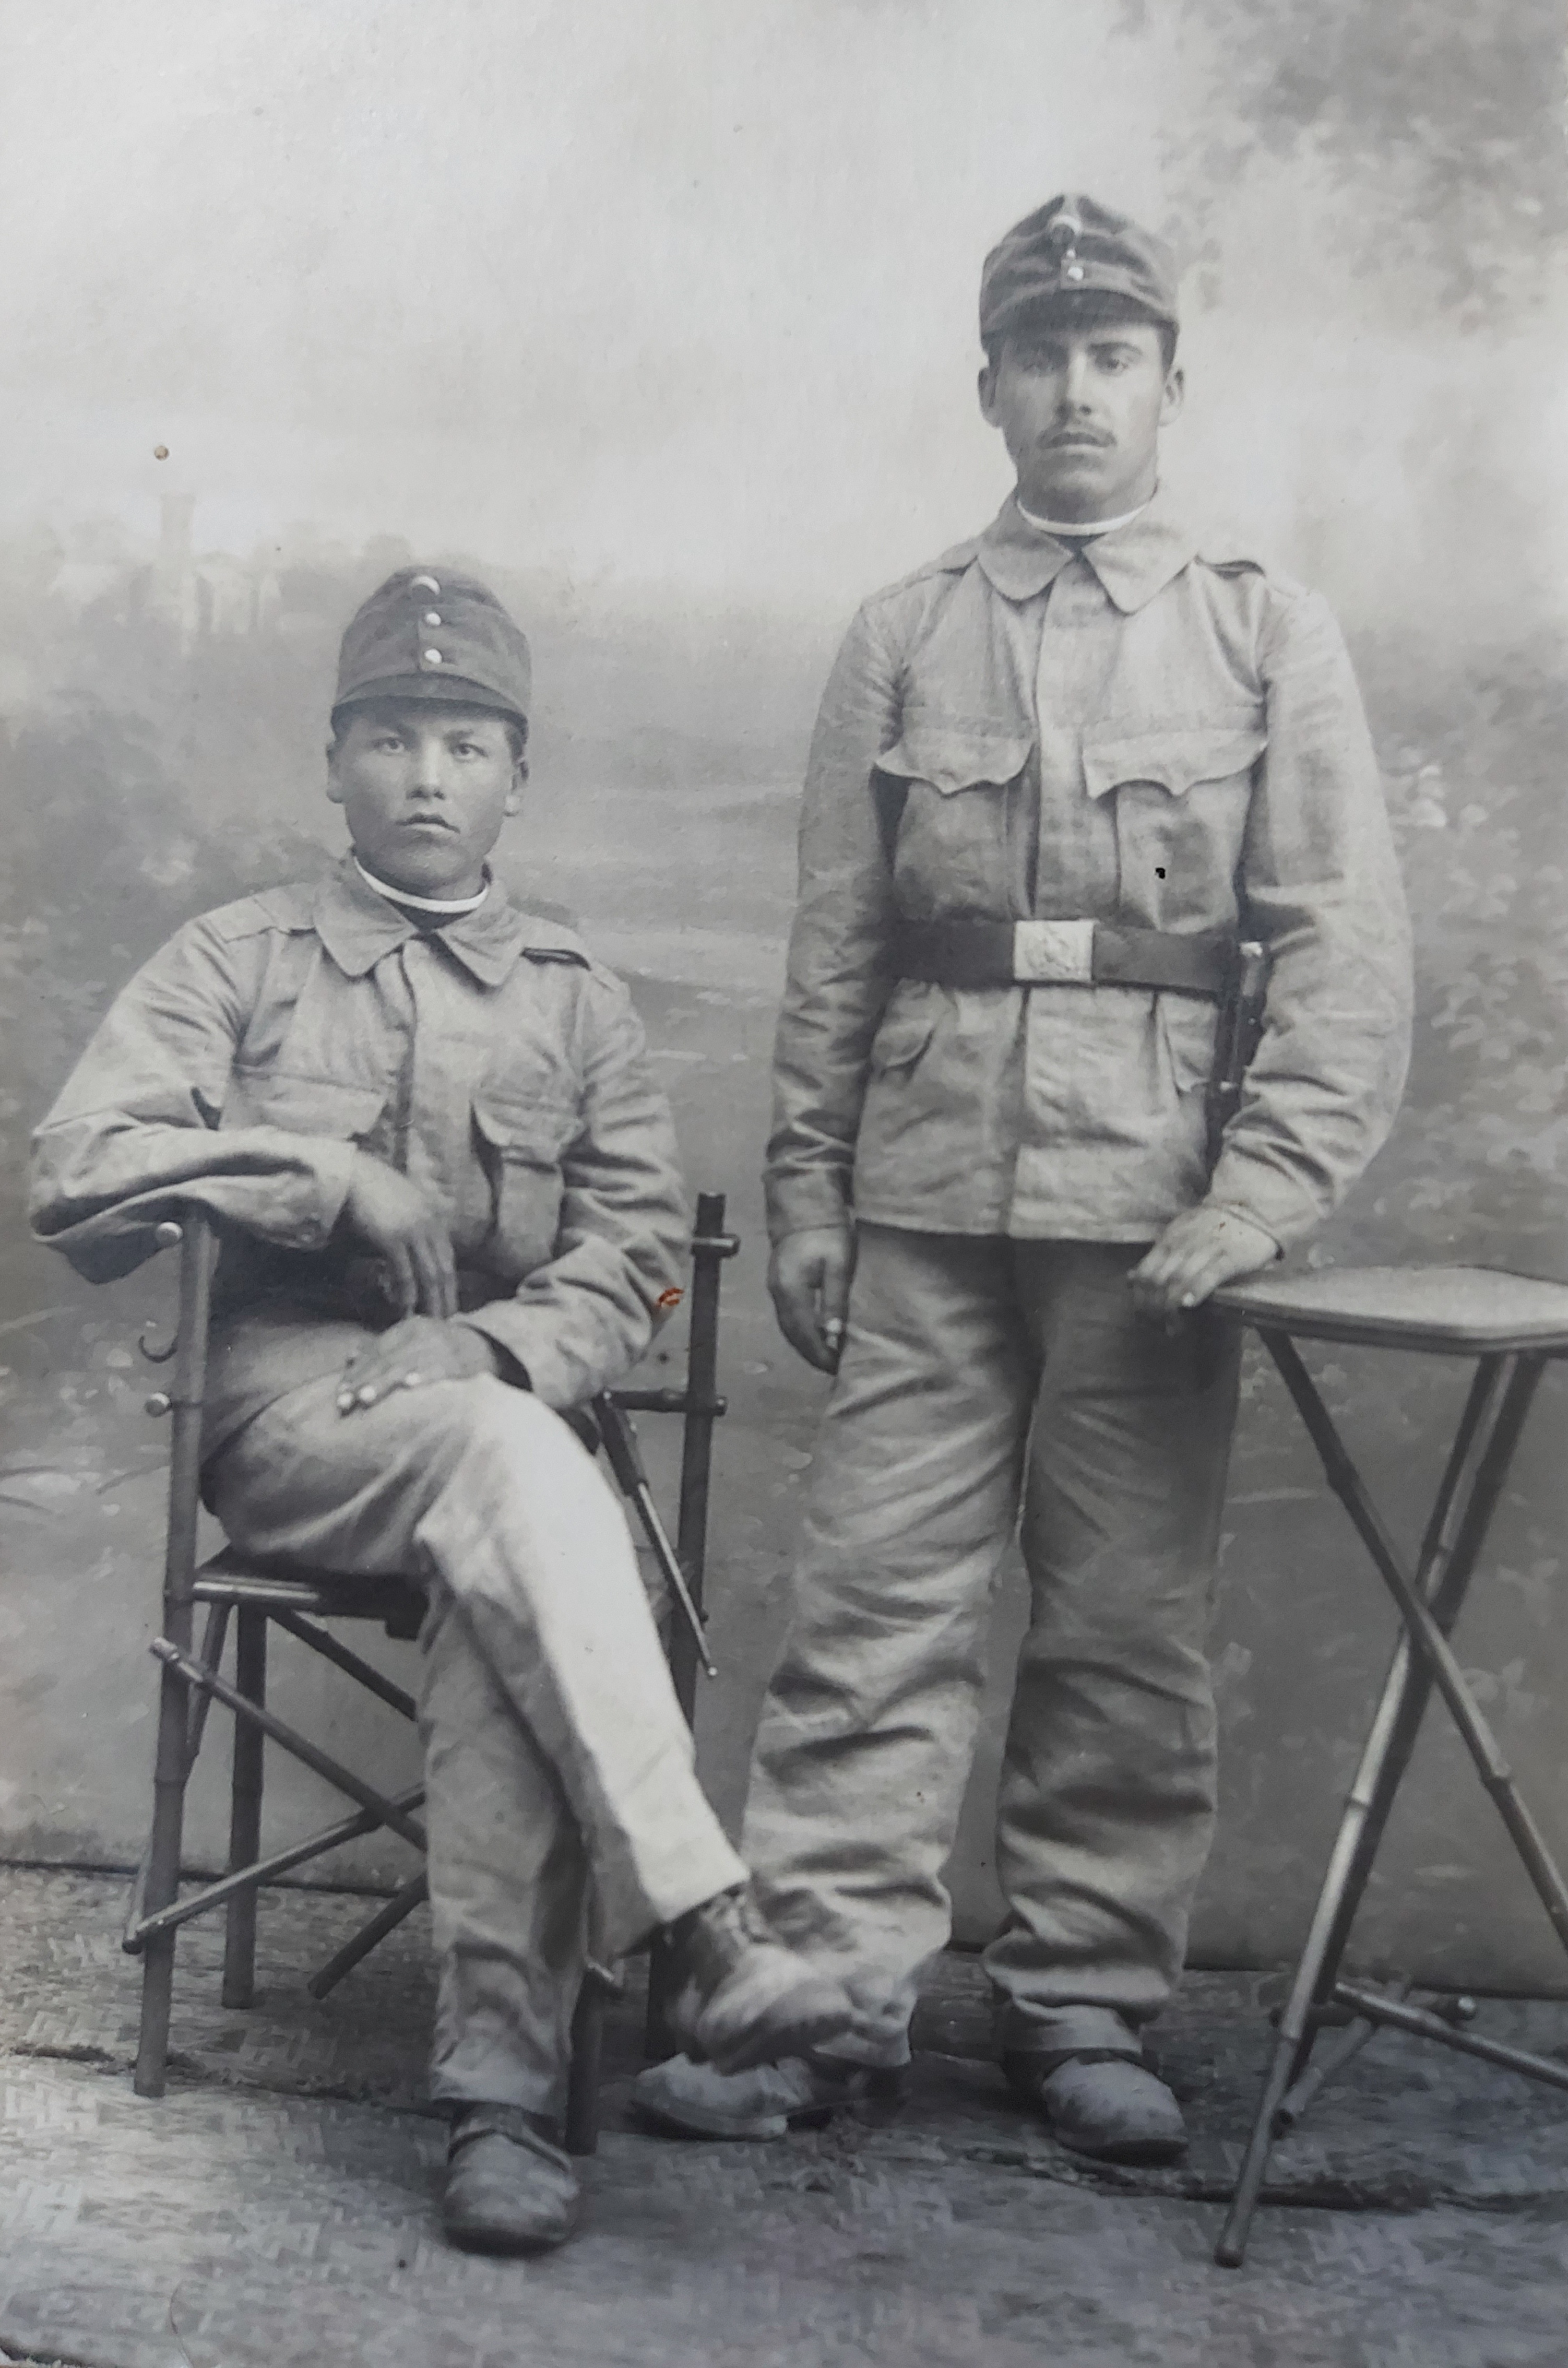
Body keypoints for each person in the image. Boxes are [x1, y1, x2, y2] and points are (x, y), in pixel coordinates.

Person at [633, 195, 1412, 2163]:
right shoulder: (904, 631)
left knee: (1122, 1629)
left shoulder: (1260, 627)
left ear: (1168, 386)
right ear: (985, 386)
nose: (1076, 390)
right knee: (868, 1613)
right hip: (921, 1200)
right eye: (1040, 356)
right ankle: (820, 2009)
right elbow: (836, 942)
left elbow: (1340, 948)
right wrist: (808, 1190)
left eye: (1111, 357)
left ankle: (1082, 2006)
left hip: (1152, 1218)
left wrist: (1258, 1197)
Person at [29, 566, 856, 2252]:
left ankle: (500, 2112)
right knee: (519, 1481)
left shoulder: (575, 997)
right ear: (334, 763)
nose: (427, 777)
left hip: (497, 1439)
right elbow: (79, 1175)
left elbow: (640, 1267)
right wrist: (319, 1171)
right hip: (290, 1428)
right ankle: (699, 1928)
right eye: (393, 740)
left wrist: (495, 1352)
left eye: (466, 746)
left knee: (505, 1540)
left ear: (516, 779)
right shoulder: (238, 958)